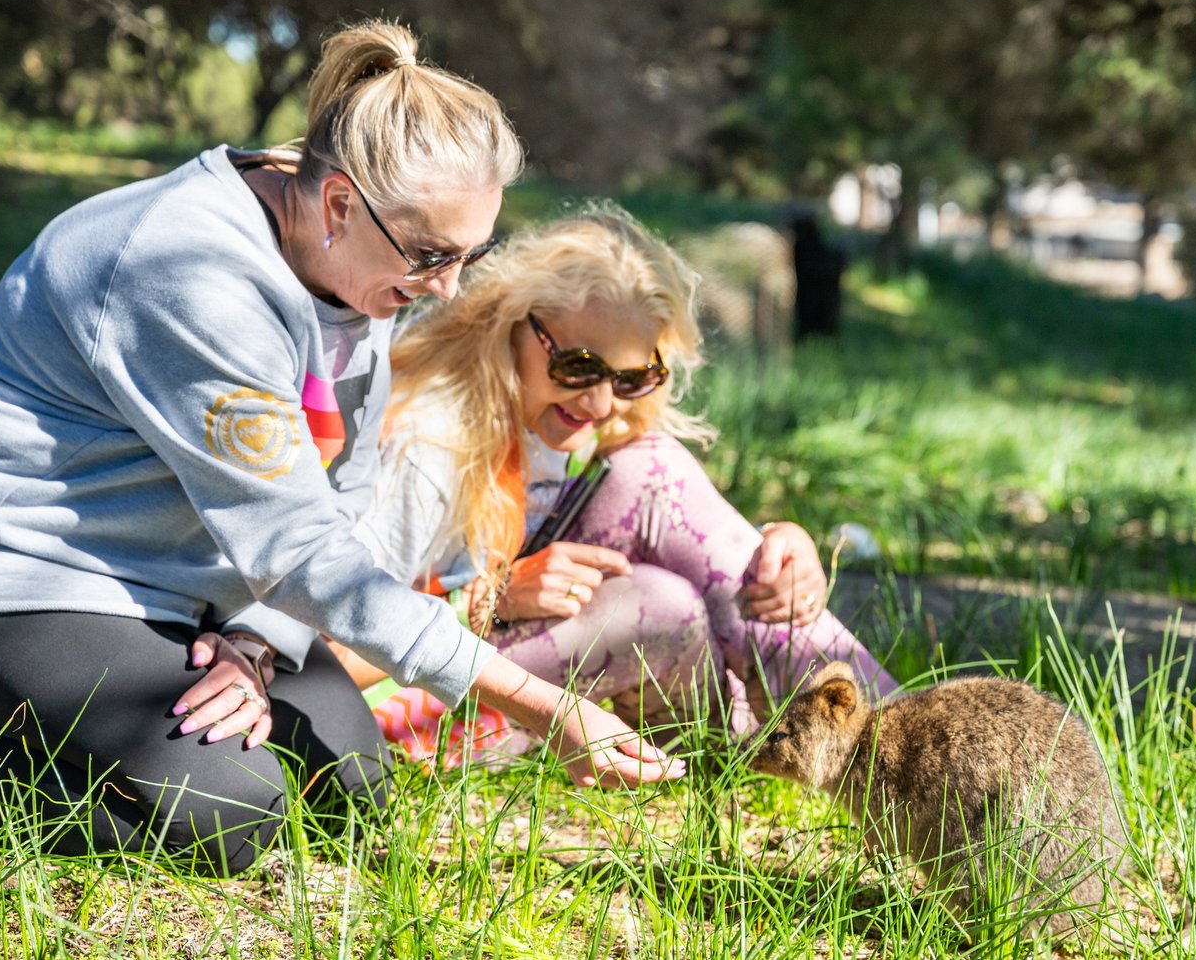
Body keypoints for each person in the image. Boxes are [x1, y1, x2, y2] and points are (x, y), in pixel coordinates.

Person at [0, 21, 678, 876]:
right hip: (13, 557)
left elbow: (337, 490)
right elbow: (299, 548)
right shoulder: (189, 272)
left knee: (348, 792)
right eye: (434, 255)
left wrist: (254, 643)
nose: (450, 288)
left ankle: (64, 716)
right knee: (224, 813)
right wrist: (545, 706)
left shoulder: (353, 268)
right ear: (338, 204)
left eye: (470, 255)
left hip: (174, 575)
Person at [341, 207, 897, 758]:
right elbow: (332, 643)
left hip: (521, 662)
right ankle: (824, 749)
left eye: (632, 378)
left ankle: (906, 740)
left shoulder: (571, 425)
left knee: (651, 466)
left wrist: (775, 549)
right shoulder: (430, 445)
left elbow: (686, 526)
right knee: (663, 605)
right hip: (405, 707)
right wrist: (490, 600)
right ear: (511, 323)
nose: (601, 402)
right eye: (578, 367)